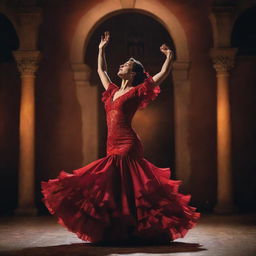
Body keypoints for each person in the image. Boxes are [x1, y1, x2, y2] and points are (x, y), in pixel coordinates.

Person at [41, 31, 200, 245]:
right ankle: (120, 231)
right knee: (116, 187)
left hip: (127, 144)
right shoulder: (112, 90)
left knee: (127, 185)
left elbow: (161, 75)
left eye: (125, 65)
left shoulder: (136, 91)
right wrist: (101, 49)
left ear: (133, 73)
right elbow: (101, 69)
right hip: (111, 144)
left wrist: (169, 57)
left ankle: (133, 230)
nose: (121, 66)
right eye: (123, 64)